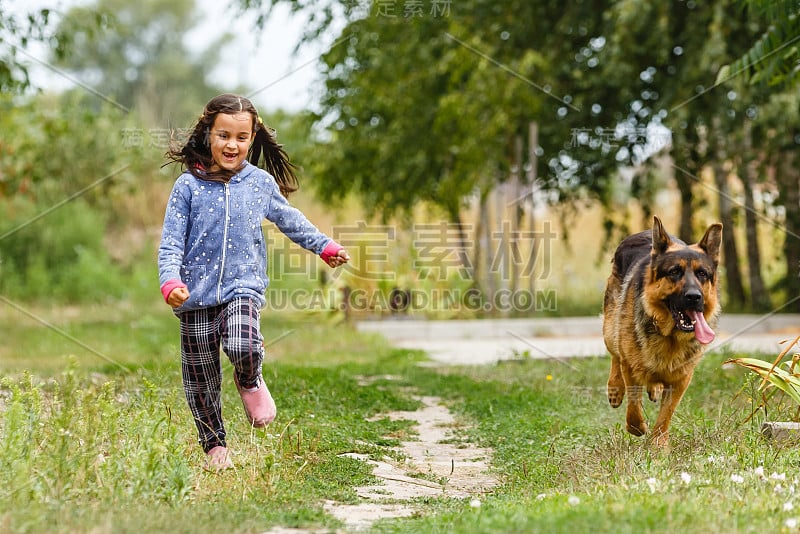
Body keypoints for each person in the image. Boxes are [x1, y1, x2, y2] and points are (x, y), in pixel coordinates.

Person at [158, 94, 350, 470]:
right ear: (208, 134)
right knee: (201, 379)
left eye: (241, 137)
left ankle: (249, 380)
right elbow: (170, 242)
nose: (232, 145)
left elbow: (289, 220)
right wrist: (170, 282)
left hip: (243, 287)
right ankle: (215, 447)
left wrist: (324, 246)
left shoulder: (259, 183)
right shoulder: (188, 186)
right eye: (224, 135)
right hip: (194, 296)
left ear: (252, 138)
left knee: (244, 345)